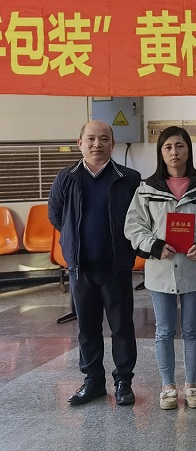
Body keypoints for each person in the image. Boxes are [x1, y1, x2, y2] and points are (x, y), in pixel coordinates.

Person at [48, 120, 140, 406]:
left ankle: (123, 381)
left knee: (122, 327)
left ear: (113, 144)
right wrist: (74, 240)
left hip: (116, 267)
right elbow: (55, 215)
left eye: (104, 139)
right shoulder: (66, 178)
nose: (97, 144)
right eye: (90, 139)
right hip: (81, 268)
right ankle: (93, 382)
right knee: (87, 328)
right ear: (80, 143)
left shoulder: (129, 178)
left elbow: (139, 217)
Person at [124, 126, 196, 410]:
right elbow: (134, 225)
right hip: (160, 269)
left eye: (179, 146)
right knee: (164, 330)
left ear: (188, 149)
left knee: (191, 330)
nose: (174, 152)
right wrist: (153, 245)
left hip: (194, 267)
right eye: (168, 147)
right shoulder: (147, 188)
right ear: (161, 153)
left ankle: (192, 384)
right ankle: (167, 386)